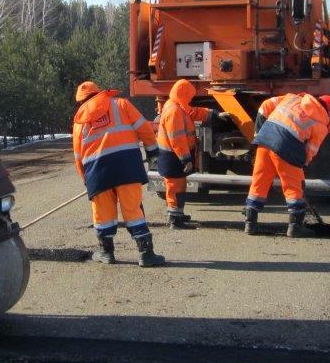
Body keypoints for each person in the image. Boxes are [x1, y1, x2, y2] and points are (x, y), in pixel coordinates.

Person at [72, 80, 165, 267]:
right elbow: (144, 128)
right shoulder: (121, 104)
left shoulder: (79, 121)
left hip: (97, 172)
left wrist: (87, 179)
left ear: (81, 100)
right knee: (133, 210)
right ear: (99, 92)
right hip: (127, 165)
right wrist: (152, 151)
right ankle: (146, 254)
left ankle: (106, 253)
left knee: (103, 214)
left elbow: (78, 156)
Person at [243, 93, 330, 238]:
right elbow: (310, 150)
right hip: (287, 147)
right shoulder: (321, 124)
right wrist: (300, 166)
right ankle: (295, 227)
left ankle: (250, 223)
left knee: (259, 182)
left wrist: (259, 133)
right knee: (294, 187)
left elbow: (265, 106)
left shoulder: (292, 98)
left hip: (264, 139)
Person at [156, 79, 223, 228]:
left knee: (179, 186)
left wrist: (214, 114)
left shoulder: (176, 105)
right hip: (173, 156)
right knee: (174, 187)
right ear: (184, 94)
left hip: (174, 156)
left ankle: (177, 214)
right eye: (189, 96)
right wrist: (186, 159)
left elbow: (193, 112)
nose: (190, 99)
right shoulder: (174, 111)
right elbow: (177, 140)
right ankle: (175, 219)